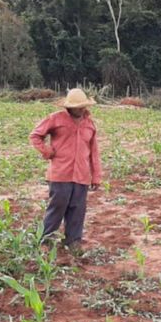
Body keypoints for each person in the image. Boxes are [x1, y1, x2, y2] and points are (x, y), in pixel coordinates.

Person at [30, 88, 102, 250]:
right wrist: (47, 151)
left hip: (82, 175)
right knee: (57, 207)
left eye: (83, 106)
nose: (82, 109)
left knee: (78, 209)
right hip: (60, 173)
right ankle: (45, 240)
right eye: (78, 106)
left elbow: (94, 152)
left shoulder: (90, 124)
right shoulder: (56, 119)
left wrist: (96, 176)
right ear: (69, 107)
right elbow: (35, 135)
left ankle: (73, 241)